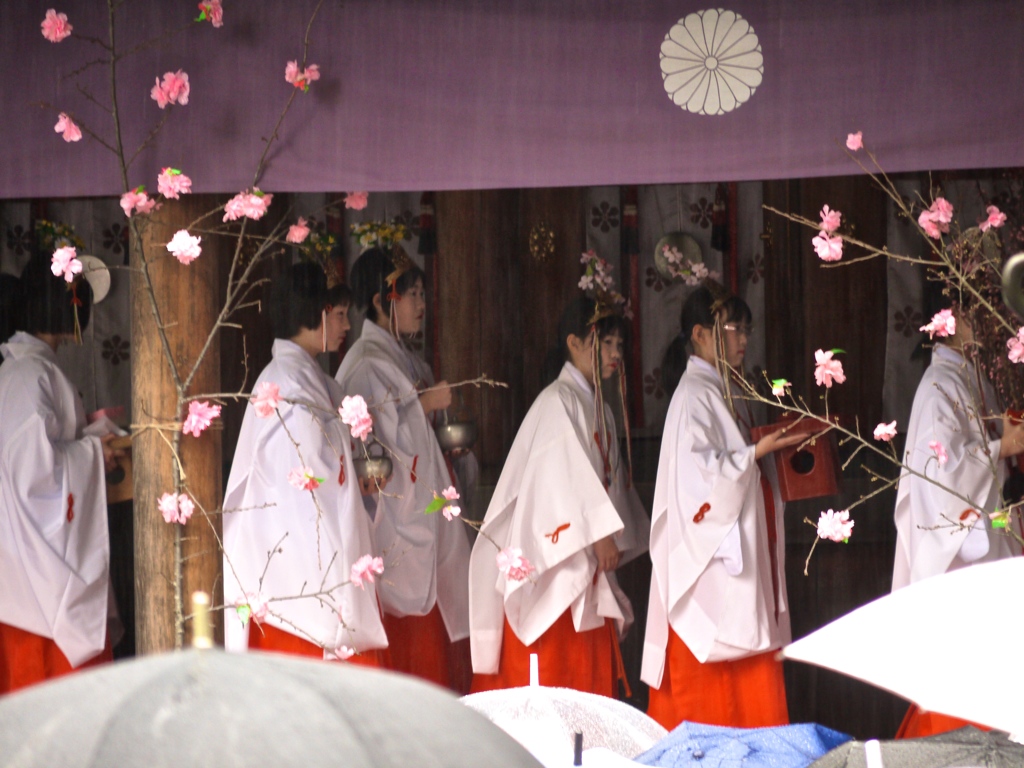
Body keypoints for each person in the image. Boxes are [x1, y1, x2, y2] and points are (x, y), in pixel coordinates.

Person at [469, 292, 649, 696]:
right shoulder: (557, 401)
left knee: (583, 678)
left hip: (581, 553)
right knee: (556, 678)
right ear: (574, 343)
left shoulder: (595, 404)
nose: (615, 352)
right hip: (559, 557)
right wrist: (600, 534)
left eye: (619, 344)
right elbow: (558, 478)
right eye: (605, 343)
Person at [641, 283, 804, 729]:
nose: (744, 339)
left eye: (746, 329)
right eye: (734, 328)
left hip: (745, 557)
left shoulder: (725, 391)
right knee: (716, 699)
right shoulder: (694, 395)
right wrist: (753, 454)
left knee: (749, 681)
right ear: (700, 333)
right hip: (715, 564)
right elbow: (700, 480)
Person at [223, 263, 388, 665]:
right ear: (317, 312)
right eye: (338, 314)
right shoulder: (290, 386)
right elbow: (306, 487)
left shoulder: (305, 378)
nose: (347, 324)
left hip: (305, 558)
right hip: (299, 567)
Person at [335, 244, 471, 688]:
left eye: (421, 295)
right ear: (381, 301)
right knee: (410, 650)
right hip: (394, 522)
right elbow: (372, 449)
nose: (421, 305)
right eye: (411, 295)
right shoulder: (363, 364)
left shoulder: (401, 358)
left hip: (421, 515)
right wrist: (420, 405)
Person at [893, 304, 1024, 737]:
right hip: (961, 558)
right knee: (963, 690)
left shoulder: (970, 378)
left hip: (989, 543)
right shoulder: (937, 388)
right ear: (947, 322)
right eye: (972, 312)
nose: (983, 321)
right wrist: (1000, 448)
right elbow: (940, 475)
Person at [0, 255, 122, 693]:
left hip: (19, 561)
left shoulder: (23, 370)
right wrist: (92, 452)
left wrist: (86, 443)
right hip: (35, 569)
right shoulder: (30, 374)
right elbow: (33, 473)